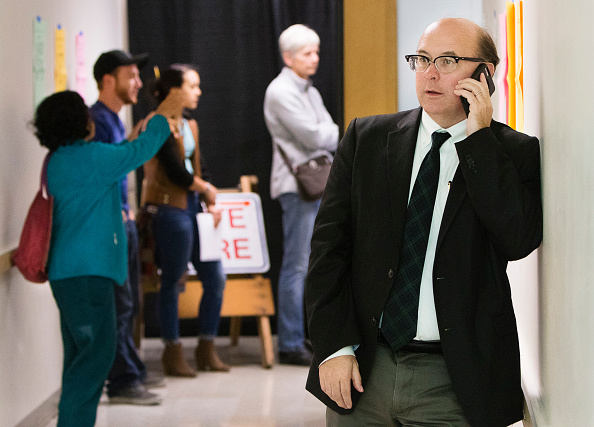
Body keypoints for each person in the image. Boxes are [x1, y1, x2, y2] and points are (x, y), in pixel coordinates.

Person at [305, 18, 543, 427]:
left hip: (455, 381)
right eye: (422, 59)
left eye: (448, 61)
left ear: (485, 74)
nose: (429, 73)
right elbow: (328, 251)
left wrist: (478, 142)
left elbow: (517, 240)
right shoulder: (368, 138)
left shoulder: (511, 153)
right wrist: (333, 348)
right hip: (364, 369)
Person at [36, 90, 174, 426]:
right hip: (90, 274)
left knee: (79, 359)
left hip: (65, 274)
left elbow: (118, 155)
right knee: (96, 358)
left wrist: (135, 135)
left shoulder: (57, 160)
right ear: (79, 121)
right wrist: (161, 118)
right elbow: (141, 150)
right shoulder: (94, 158)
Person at [139, 64, 229, 377]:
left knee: (215, 276)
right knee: (173, 280)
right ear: (175, 90)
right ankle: (172, 350)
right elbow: (176, 171)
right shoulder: (155, 124)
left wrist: (208, 197)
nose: (198, 92)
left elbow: (199, 166)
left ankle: (206, 346)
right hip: (169, 208)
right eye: (193, 86)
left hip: (192, 205)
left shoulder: (190, 125)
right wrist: (204, 188)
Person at [89, 49, 162, 405]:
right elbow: (99, 173)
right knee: (119, 305)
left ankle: (132, 373)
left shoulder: (114, 119)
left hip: (123, 223)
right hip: (110, 228)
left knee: (128, 303)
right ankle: (122, 381)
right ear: (108, 80)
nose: (138, 83)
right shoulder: (97, 122)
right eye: (130, 76)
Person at [264, 24, 339, 366]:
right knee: (296, 266)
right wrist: (330, 131)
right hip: (297, 187)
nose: (315, 59)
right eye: (308, 53)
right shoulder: (281, 91)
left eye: (317, 52)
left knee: (311, 264)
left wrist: (327, 132)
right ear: (287, 57)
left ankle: (303, 336)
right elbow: (316, 135)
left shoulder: (307, 89)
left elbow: (326, 131)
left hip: (314, 183)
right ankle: (290, 342)